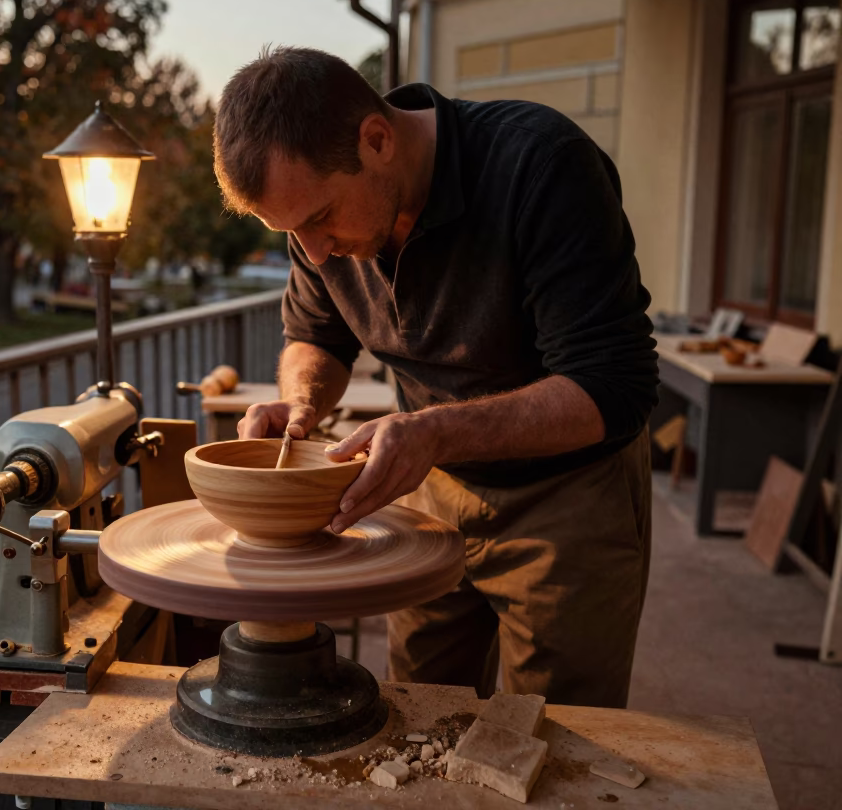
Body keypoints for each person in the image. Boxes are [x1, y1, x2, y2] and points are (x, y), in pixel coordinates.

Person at [214, 47, 658, 708]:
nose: (313, 250)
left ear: (377, 139)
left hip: (567, 498)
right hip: (430, 490)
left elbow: (612, 385)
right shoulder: (319, 213)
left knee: (560, 738)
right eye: (289, 233)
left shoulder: (541, 164)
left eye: (317, 221)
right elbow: (315, 335)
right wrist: (301, 399)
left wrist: (435, 432)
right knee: (418, 716)